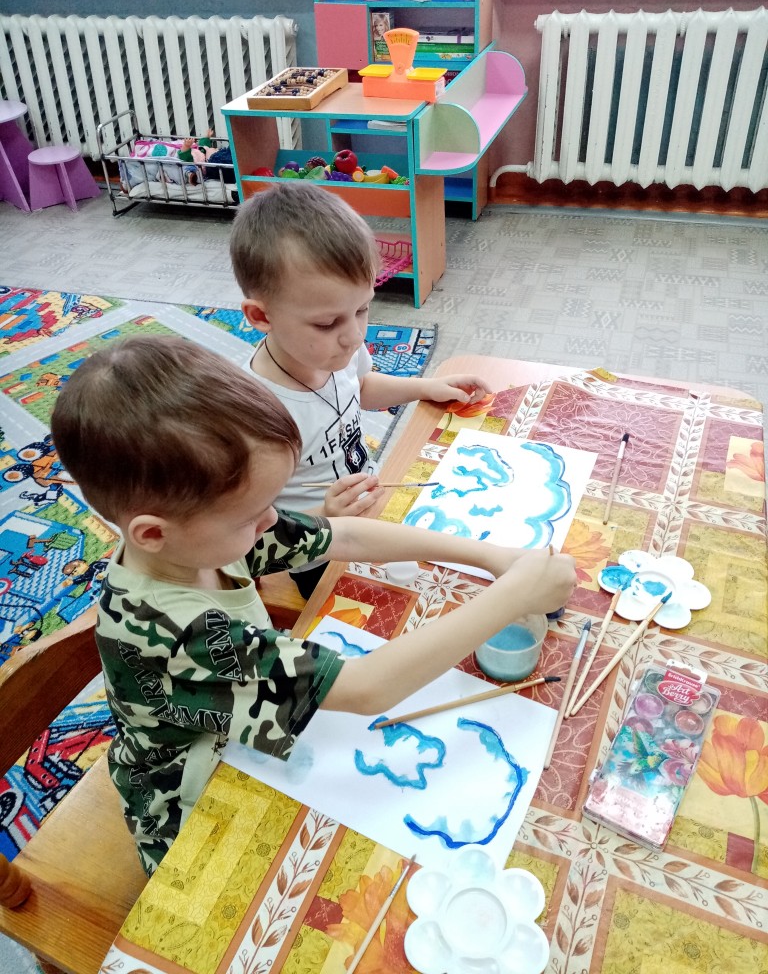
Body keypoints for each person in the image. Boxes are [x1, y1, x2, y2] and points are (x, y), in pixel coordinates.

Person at [50, 335, 576, 875]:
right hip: (188, 806)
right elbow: (367, 688)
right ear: (153, 533)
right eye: (252, 514)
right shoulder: (180, 630)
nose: (272, 520)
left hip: (242, 737)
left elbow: (343, 535)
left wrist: (491, 557)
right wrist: (513, 596)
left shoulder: (198, 538)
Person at [230, 182, 493, 597]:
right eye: (327, 323)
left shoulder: (337, 351)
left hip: (369, 503)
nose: (354, 335)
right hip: (316, 547)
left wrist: (426, 387)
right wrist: (323, 513)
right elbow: (242, 529)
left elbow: (363, 386)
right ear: (261, 316)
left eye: (362, 308)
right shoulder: (251, 411)